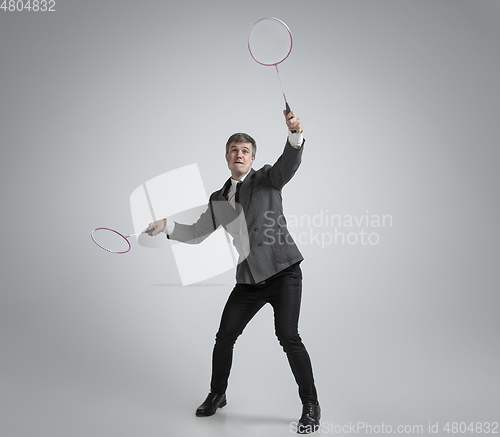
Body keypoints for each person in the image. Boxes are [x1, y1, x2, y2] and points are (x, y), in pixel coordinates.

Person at [146, 110, 320, 434]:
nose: (239, 155)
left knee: (288, 335)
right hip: (250, 279)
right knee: (224, 336)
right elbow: (197, 234)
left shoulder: (268, 178)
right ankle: (217, 393)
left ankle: (311, 404)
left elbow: (289, 164)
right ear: (226, 157)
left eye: (245, 151)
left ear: (253, 158)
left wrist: (295, 136)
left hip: (284, 273)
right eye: (234, 151)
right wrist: (166, 225)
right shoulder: (218, 199)